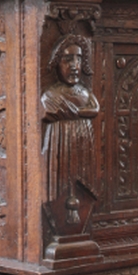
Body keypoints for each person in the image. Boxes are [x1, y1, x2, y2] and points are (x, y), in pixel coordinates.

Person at [41, 34, 100, 202]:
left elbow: (95, 108)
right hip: (59, 138)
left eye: (79, 60)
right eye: (67, 60)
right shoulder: (51, 93)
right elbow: (47, 111)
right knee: (61, 176)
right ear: (56, 63)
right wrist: (76, 112)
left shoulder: (84, 92)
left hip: (83, 137)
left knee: (82, 174)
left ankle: (81, 198)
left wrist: (76, 112)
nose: (75, 66)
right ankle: (60, 202)